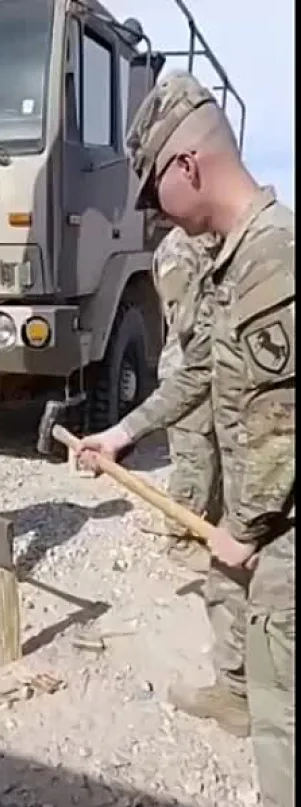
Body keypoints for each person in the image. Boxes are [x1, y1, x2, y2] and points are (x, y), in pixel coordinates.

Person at [76, 71, 295, 807]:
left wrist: (241, 530)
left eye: (152, 189)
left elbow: (281, 427)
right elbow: (199, 375)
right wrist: (121, 432)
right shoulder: (236, 260)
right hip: (266, 526)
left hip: (281, 533)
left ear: (188, 164)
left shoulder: (271, 258)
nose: (153, 212)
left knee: (284, 720)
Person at [152, 227, 222, 573]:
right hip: (186, 371)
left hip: (215, 371)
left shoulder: (217, 241)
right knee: (196, 460)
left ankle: (208, 527)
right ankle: (180, 539)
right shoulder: (180, 248)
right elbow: (185, 321)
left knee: (215, 457)